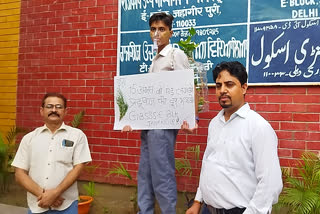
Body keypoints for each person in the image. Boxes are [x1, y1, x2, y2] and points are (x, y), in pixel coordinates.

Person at [185, 61, 283, 214]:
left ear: (244, 88)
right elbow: (208, 164)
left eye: (229, 84)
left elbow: (271, 183)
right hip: (207, 210)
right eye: (218, 86)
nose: (222, 90)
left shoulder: (258, 127)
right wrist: (198, 201)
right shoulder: (214, 124)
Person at [122, 12, 195, 214]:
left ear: (170, 32)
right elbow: (149, 97)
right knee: (144, 175)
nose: (156, 33)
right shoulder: (155, 60)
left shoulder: (175, 55)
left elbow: (187, 87)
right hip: (148, 127)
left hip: (163, 127)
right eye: (153, 29)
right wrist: (130, 120)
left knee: (162, 175)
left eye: (161, 29)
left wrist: (190, 118)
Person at [12, 92, 92, 214]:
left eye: (59, 107)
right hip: (37, 204)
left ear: (66, 111)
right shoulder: (29, 138)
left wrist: (55, 193)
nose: (54, 110)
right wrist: (45, 195)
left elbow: (78, 168)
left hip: (67, 205)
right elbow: (19, 173)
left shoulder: (77, 136)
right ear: (41, 110)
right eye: (49, 106)